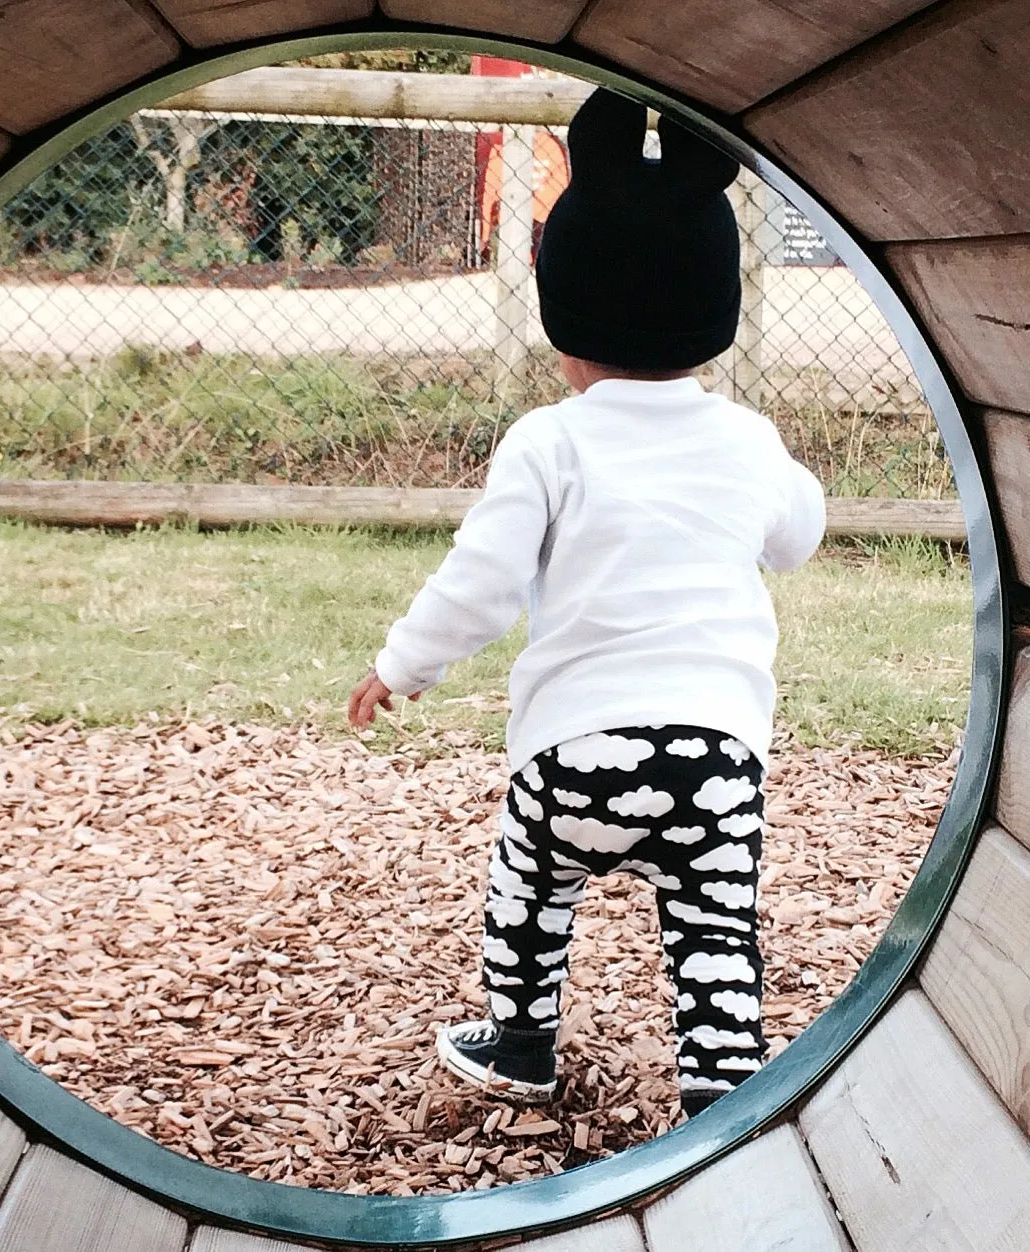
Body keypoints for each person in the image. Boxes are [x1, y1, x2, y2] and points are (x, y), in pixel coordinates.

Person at [347, 90, 825, 1121]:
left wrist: (401, 664)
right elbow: (798, 537)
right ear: (713, 315)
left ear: (563, 316)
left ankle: (519, 1039)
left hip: (571, 755)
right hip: (712, 757)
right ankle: (721, 1079)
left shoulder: (549, 440)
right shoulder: (747, 441)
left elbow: (479, 582)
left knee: (529, 886)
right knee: (713, 925)